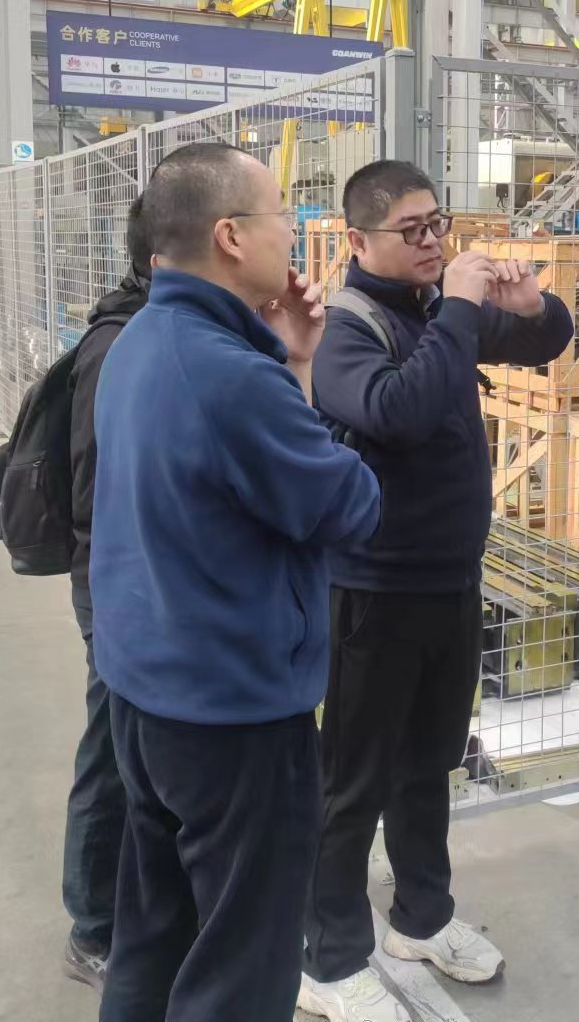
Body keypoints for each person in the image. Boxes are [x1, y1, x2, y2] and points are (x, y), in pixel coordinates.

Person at [90, 142, 382, 1022]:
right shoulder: (229, 376)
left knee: (157, 934)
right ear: (229, 236)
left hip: (147, 694)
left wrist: (294, 362)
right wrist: (293, 379)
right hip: (232, 719)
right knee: (243, 967)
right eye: (281, 215)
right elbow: (348, 505)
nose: (292, 232)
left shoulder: (142, 339)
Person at [299, 160, 575, 1022]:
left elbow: (544, 341)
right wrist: (459, 305)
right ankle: (328, 958)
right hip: (373, 594)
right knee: (352, 783)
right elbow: (401, 411)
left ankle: (421, 920)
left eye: (437, 224)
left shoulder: (432, 310)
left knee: (427, 765)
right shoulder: (348, 329)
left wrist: (531, 305)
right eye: (411, 230)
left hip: (450, 585)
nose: (431, 242)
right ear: (358, 240)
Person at [62, 197, 151, 992]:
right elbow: (98, 492)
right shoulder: (119, 346)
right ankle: (93, 926)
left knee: (139, 758)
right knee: (113, 757)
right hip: (118, 587)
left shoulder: (154, 334)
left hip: (145, 586)